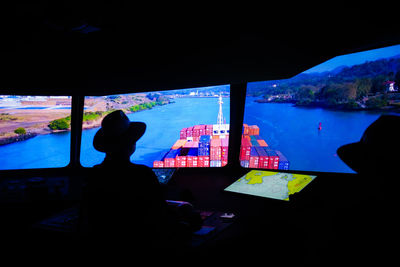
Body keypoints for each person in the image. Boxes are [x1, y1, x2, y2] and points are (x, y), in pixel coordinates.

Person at [80, 110, 201, 252]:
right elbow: (158, 214)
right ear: (131, 145)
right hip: (143, 243)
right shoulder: (141, 173)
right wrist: (184, 207)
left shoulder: (94, 173)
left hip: (103, 243)